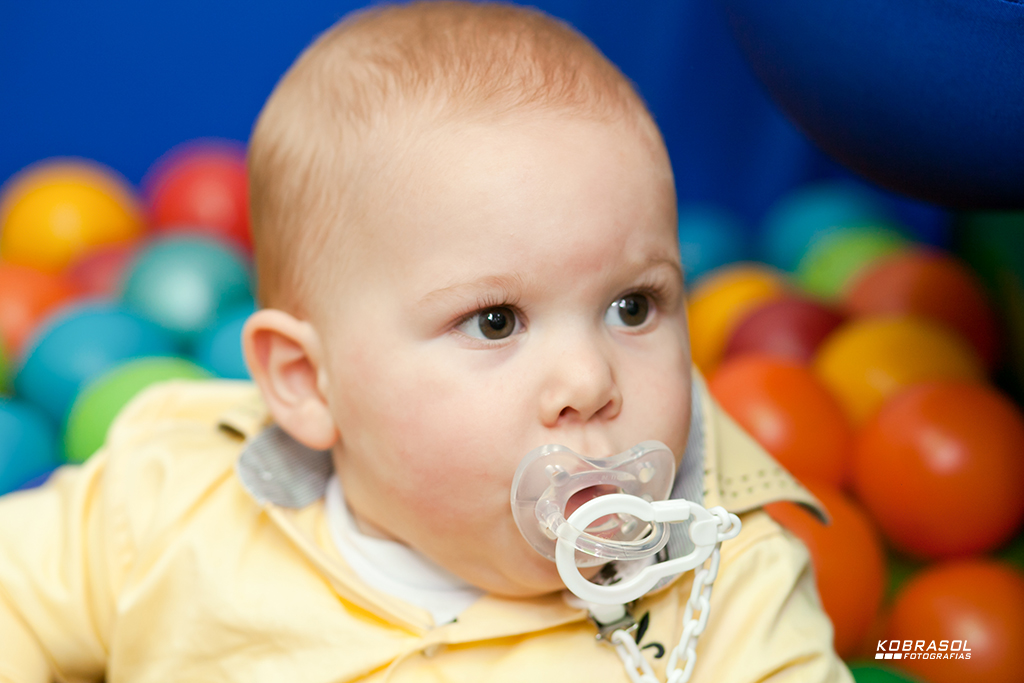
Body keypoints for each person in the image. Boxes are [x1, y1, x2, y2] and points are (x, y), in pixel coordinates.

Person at [0, 2, 853, 681]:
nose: (590, 380)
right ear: (307, 381)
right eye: (495, 321)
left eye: (633, 306)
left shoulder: (733, 593)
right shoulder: (169, 502)